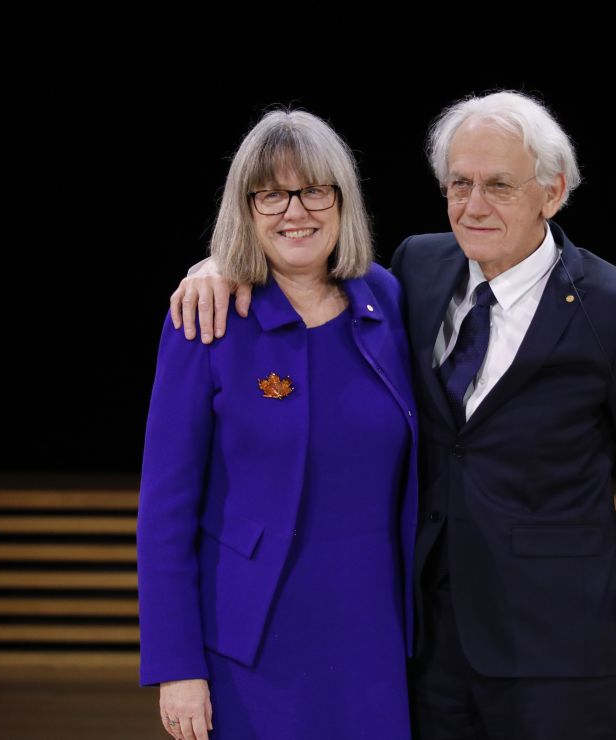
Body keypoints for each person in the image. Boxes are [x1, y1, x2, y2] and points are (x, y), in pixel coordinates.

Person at [171, 91, 616, 740]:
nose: (474, 205)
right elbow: (301, 266)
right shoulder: (415, 272)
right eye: (459, 183)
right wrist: (218, 265)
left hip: (560, 654)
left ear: (553, 191)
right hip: (429, 651)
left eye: (499, 186)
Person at [137, 109, 418, 740]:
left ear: (343, 201)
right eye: (271, 194)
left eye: (314, 189)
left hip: (377, 637)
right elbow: (165, 511)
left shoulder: (392, 301)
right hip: (250, 646)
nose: (296, 211)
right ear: (246, 208)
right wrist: (177, 666)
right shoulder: (206, 319)